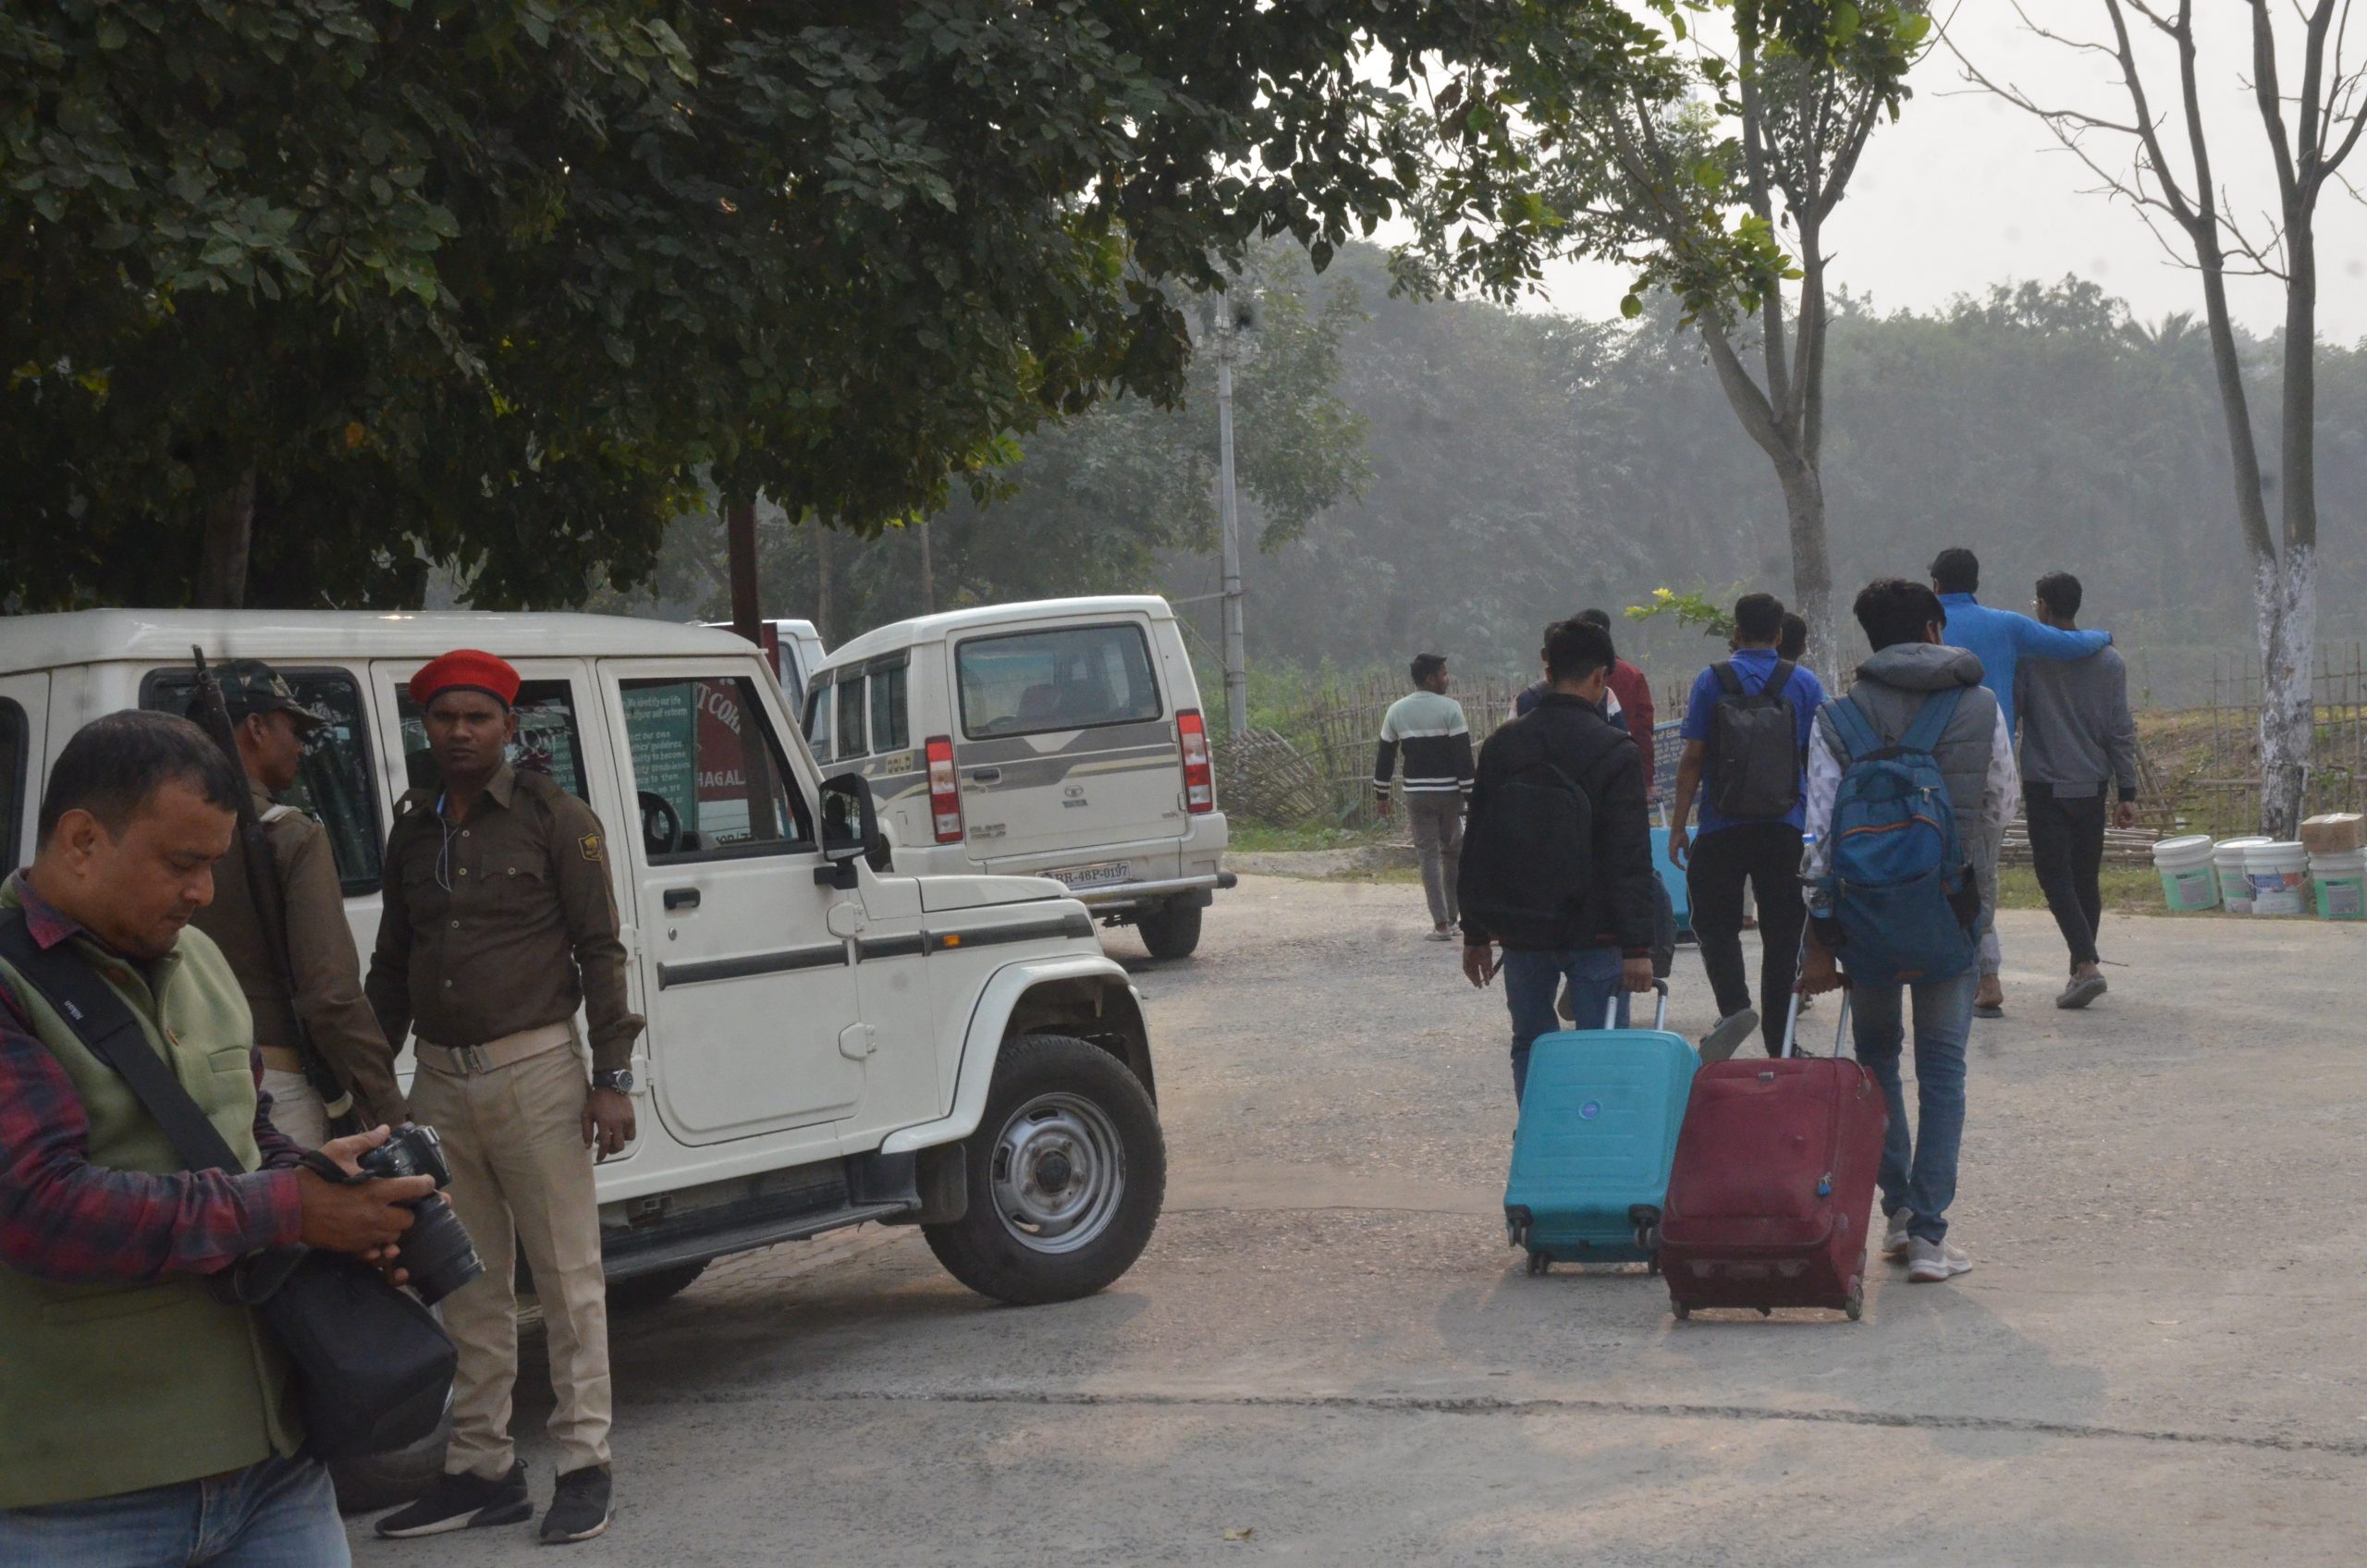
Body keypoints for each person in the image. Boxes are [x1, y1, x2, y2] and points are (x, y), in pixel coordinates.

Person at [0, 711, 433, 1566]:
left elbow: (244, 1133)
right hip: (80, 1495)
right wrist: (287, 1208)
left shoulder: (197, 959)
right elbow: (40, 1206)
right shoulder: (12, 982)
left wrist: (331, 1190)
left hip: (275, 1471)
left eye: (213, 865)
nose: (202, 892)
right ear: (81, 840)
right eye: (181, 863)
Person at [366, 651, 643, 1546]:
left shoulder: (556, 819)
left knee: (567, 1279)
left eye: (476, 717)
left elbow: (601, 949)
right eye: (443, 717)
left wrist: (611, 1078)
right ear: (425, 726)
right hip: (439, 1081)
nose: (459, 732)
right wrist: (370, 1087)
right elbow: (392, 965)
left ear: (508, 727)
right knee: (466, 1284)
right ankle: (481, 1468)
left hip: (537, 1072)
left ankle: (584, 1464)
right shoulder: (414, 830)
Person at [1800, 580, 2017, 1285]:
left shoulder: (1836, 718)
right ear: (1933, 629)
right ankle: (1929, 1236)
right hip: (1952, 911)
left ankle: (1895, 1213)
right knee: (1944, 1069)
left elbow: (1818, 835)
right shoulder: (1980, 706)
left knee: (1877, 1060)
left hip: (1864, 920)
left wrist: (1822, 931)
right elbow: (2000, 803)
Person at [189, 660, 408, 1145]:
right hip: (276, 1086)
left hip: (178, 1080)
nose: (300, 746)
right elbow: (330, 996)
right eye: (293, 730)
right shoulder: (290, 835)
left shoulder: (154, 832)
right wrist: (390, 1109)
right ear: (256, 728)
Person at [1459, 619, 1657, 1103]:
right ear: (1601, 676)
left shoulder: (1503, 745)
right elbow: (1629, 854)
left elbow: (1477, 843)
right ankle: (1593, 1136)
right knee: (1602, 1048)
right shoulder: (1616, 750)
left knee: (1531, 1043)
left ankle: (1538, 1135)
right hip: (1597, 931)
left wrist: (1475, 934)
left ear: (1547, 671)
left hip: (1523, 930)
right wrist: (1637, 946)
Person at [1929, 547, 2112, 1019]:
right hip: (1993, 761)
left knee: (1930, 867)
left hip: (1931, 761)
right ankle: (1986, 974)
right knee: (1982, 869)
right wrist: (2104, 635)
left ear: (1935, 585)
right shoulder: (2006, 625)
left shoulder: (1926, 627)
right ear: (1976, 583)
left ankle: (1963, 973)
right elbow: (2070, 644)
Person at [1667, 593, 1827, 1059]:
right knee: (1783, 936)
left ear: (1735, 633)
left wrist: (1678, 826)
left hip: (1722, 825)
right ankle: (1780, 1042)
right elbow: (1817, 762)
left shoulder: (1710, 680)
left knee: (1712, 922)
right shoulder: (1804, 683)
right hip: (1785, 827)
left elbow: (1692, 759)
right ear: (1779, 635)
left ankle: (1735, 1007)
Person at [2016, 572, 2140, 1010]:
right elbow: (2120, 730)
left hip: (2046, 786)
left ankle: (2086, 966)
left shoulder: (2030, 659)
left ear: (2044, 606)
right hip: (2092, 785)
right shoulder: (2110, 661)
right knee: (2085, 878)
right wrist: (2127, 790)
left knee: (2054, 876)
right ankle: (2078, 971)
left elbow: (2014, 712)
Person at [1373, 653, 1476, 940]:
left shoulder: (1396, 710)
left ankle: (1440, 925)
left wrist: (1382, 794)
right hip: (1450, 794)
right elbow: (1463, 757)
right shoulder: (1451, 709)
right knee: (1452, 852)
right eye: (1443, 674)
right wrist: (1471, 795)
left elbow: (1385, 756)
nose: (1447, 679)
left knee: (1427, 855)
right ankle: (1453, 918)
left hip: (1417, 795)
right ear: (1430, 679)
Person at [1515, 609, 1656, 794]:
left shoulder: (1506, 736)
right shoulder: (1620, 749)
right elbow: (1643, 730)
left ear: (1548, 672)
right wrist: (1647, 779)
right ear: (1600, 677)